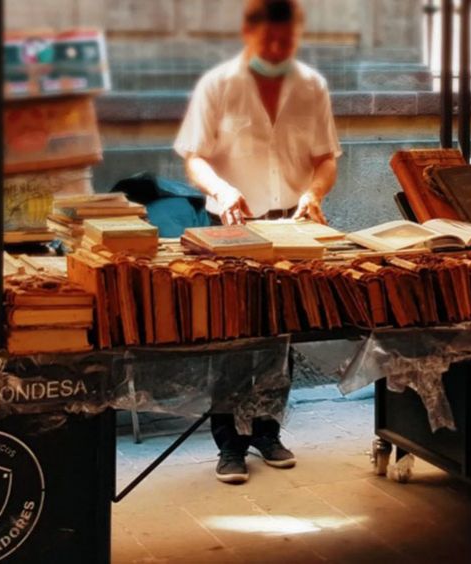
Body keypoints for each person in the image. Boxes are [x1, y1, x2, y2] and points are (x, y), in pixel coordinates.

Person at [174, 0, 342, 484]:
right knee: (233, 333)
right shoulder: (218, 86)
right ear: (248, 34)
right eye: (269, 41)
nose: (277, 49)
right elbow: (195, 157)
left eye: (286, 42)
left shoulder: (312, 87)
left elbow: (326, 158)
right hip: (231, 223)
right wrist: (220, 188)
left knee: (279, 335)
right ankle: (230, 445)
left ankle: (268, 432)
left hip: (289, 221)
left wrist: (313, 193)